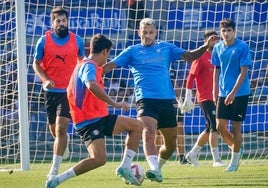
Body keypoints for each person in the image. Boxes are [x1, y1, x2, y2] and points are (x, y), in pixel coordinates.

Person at [103, 18, 219, 182]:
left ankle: (158, 165)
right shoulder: (132, 51)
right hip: (145, 100)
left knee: (170, 145)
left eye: (151, 32)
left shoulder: (166, 48)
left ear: (155, 32)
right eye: (145, 32)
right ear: (139, 33)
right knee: (148, 132)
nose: (148, 36)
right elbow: (110, 66)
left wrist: (206, 46)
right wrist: (91, 71)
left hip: (167, 101)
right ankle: (155, 169)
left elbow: (189, 56)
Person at [45, 34, 143, 188]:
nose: (107, 57)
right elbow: (91, 85)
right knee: (98, 159)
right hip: (89, 121)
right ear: (104, 51)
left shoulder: (86, 65)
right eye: (109, 53)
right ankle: (58, 179)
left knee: (136, 126)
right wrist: (114, 103)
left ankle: (125, 166)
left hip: (99, 117)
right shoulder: (88, 66)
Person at [32, 7, 85, 180]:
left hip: (68, 92)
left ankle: (53, 170)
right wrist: (45, 79)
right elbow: (36, 64)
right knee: (55, 130)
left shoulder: (77, 40)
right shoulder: (43, 41)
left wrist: (81, 81)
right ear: (52, 22)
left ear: (67, 21)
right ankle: (63, 143)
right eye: (58, 21)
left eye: (64, 20)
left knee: (62, 128)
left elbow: (82, 62)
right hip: (50, 91)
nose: (61, 24)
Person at [212, 19, 251, 172]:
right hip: (223, 92)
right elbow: (217, 69)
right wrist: (214, 90)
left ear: (234, 31)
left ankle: (234, 163)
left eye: (229, 30)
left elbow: (244, 72)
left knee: (236, 127)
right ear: (220, 32)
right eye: (223, 31)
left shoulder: (242, 47)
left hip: (240, 93)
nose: (226, 33)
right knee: (219, 126)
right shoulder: (217, 47)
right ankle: (236, 148)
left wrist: (233, 93)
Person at [181, 30, 226, 167]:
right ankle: (216, 160)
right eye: (211, 39)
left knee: (209, 128)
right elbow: (191, 76)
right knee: (215, 126)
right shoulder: (200, 57)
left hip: (218, 97)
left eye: (216, 39)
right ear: (205, 41)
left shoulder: (219, 56)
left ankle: (193, 153)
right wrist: (188, 96)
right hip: (205, 97)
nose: (214, 41)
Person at [155, 68, 188, 165]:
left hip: (172, 100)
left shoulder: (171, 67)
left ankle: (182, 157)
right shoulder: (153, 65)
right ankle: (158, 157)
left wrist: (180, 100)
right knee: (158, 131)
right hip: (156, 99)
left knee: (180, 128)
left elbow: (175, 84)